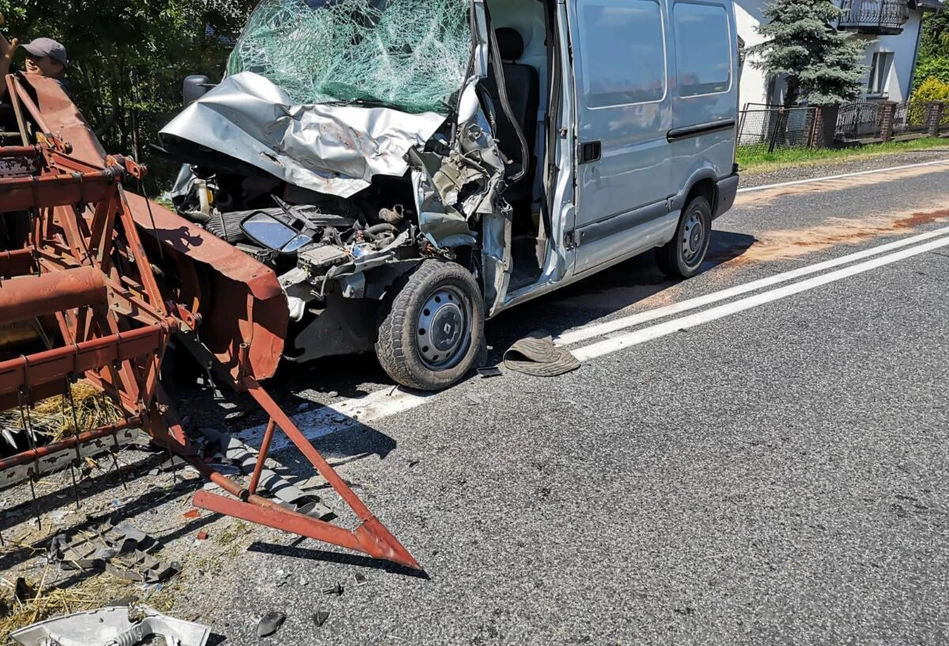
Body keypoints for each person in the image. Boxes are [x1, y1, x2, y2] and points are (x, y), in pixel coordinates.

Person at [0, 14, 69, 99]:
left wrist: (7, 54)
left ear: (57, 67)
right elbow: (6, 51)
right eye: (30, 55)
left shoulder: (56, 88)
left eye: (38, 56)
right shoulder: (26, 78)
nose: (30, 60)